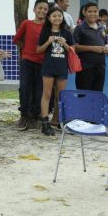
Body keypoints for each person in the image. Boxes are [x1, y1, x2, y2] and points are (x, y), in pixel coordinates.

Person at [72, 0, 108, 91]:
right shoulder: (79, 28)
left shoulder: (101, 28)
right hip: (85, 68)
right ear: (84, 12)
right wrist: (92, 48)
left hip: (100, 68)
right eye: (89, 11)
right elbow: (74, 47)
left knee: (98, 96)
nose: (92, 14)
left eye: (95, 11)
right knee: (84, 97)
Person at [37, 7, 73, 136]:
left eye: (59, 16)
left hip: (62, 68)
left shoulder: (66, 32)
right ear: (49, 18)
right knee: (47, 94)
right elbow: (38, 50)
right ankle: (45, 123)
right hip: (48, 67)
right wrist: (48, 42)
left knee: (61, 96)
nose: (57, 18)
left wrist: (65, 44)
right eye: (54, 16)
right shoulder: (45, 31)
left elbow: (72, 50)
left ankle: (60, 121)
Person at [12, 0, 48, 131]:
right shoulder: (27, 23)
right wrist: (26, 48)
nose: (42, 11)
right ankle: (24, 116)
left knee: (39, 90)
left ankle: (35, 116)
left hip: (42, 63)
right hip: (27, 61)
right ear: (34, 9)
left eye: (45, 9)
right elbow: (16, 39)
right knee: (25, 88)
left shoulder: (48, 27)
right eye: (40, 8)